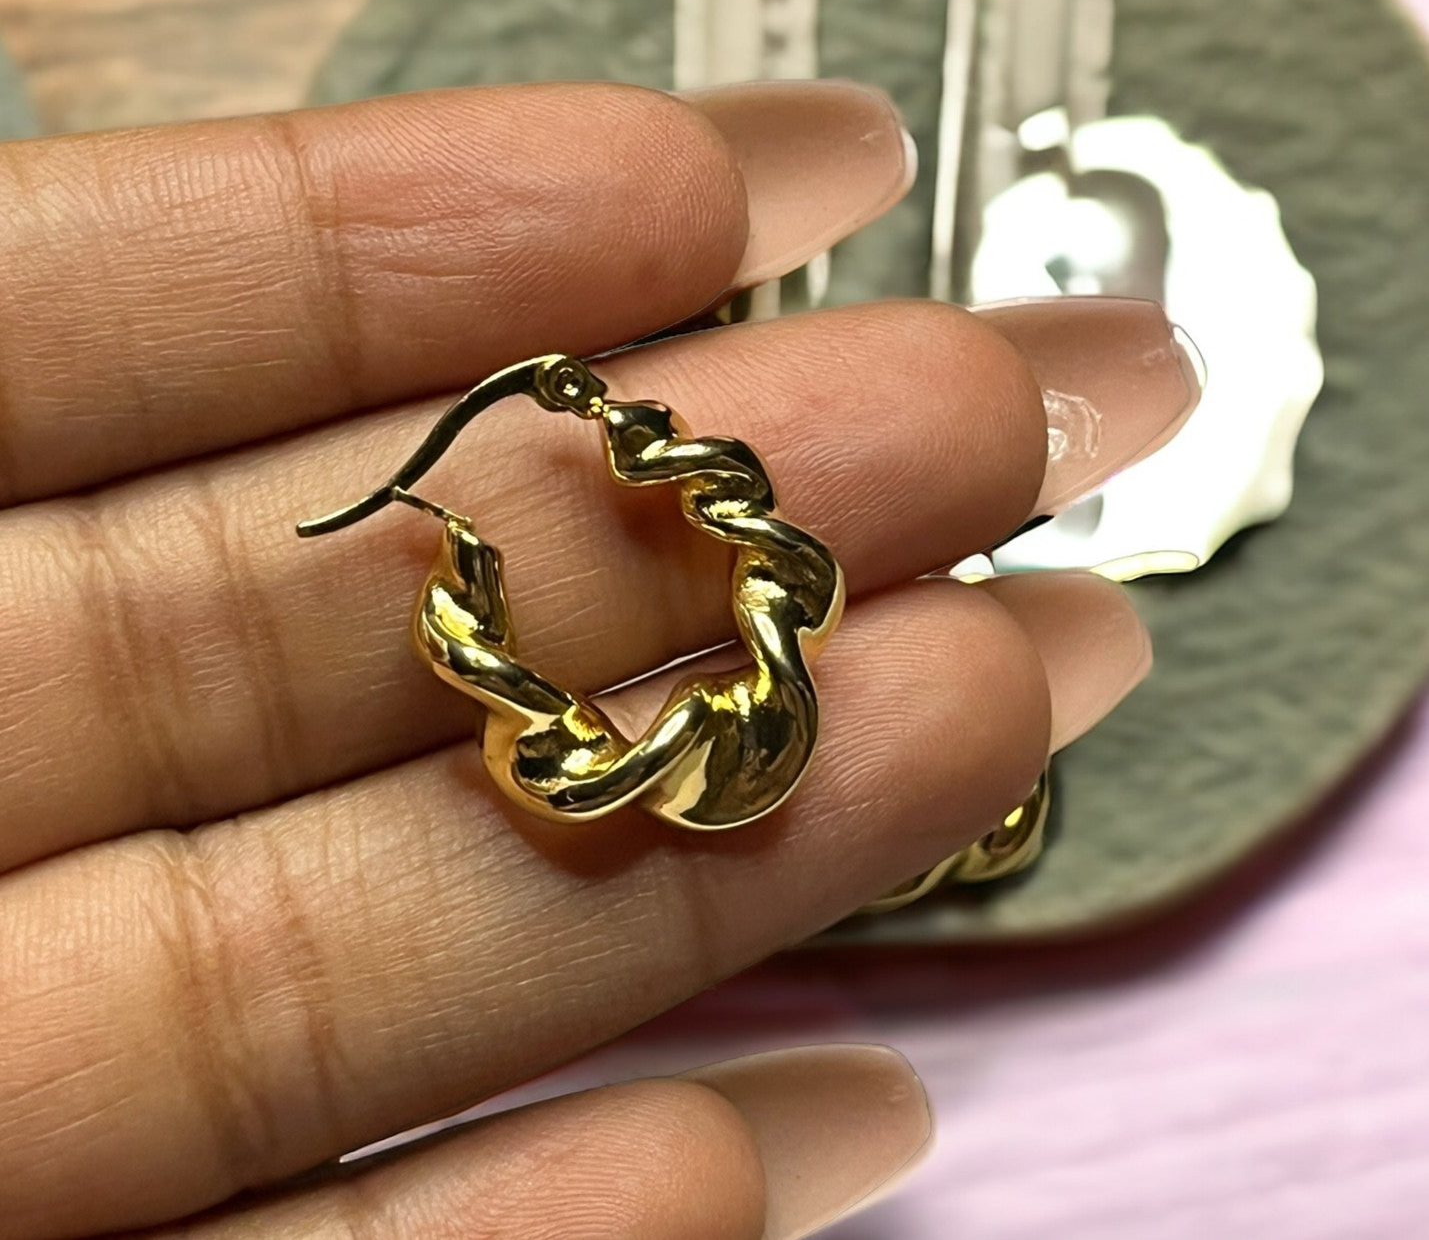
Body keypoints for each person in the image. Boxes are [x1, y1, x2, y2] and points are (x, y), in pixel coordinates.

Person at [0, 78, 1196, 1240]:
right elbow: (643, 707)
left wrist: (601, 459)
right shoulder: (693, 699)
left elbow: (726, 604)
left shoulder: (733, 657)